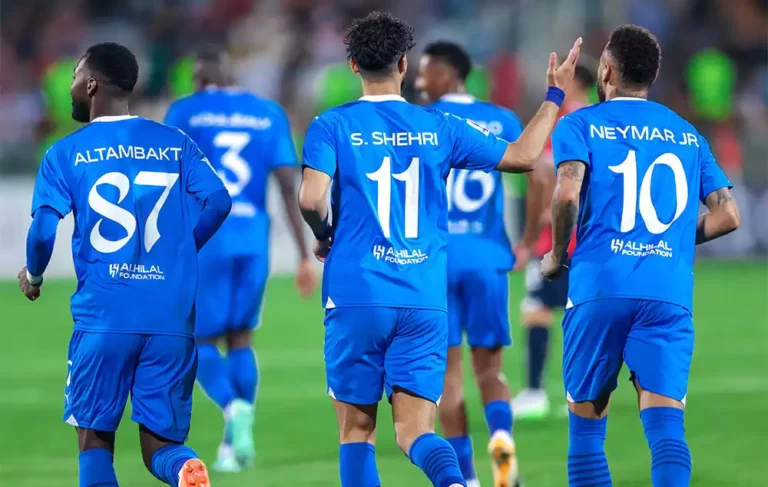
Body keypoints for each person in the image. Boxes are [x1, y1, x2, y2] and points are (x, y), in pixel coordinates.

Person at [298, 11, 581, 487]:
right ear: (403, 65)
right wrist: (554, 96)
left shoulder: (331, 125)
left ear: (353, 66)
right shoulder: (439, 126)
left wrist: (324, 232)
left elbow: (311, 199)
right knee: (415, 432)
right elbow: (523, 156)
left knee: (357, 431)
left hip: (356, 293)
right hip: (423, 296)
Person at [18, 42, 232, 487]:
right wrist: (182, 249)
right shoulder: (175, 143)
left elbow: (42, 232)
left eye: (75, 76)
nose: (71, 86)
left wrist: (34, 274)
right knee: (163, 446)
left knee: (94, 441)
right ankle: (185, 470)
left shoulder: (66, 152)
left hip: (105, 317)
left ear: (91, 84)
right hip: (171, 319)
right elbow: (218, 201)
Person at [541, 25, 739, 487]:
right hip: (666, 292)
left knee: (587, 433)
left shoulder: (580, 123)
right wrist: (667, 239)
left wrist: (556, 256)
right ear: (653, 74)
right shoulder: (687, 134)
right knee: (667, 429)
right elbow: (728, 216)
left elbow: (567, 195)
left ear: (607, 72)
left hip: (599, 288)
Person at [163, 49, 316, 473]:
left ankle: (234, 408)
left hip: (206, 237)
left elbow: (167, 180)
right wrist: (304, 254)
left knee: (197, 340)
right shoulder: (268, 113)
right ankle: (234, 447)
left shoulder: (185, 111)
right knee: (242, 339)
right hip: (254, 239)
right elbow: (287, 184)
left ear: (198, 81)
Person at [414, 40, 534, 487]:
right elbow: (539, 175)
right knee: (491, 370)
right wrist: (526, 240)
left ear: (448, 75)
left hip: (437, 261)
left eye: (426, 73)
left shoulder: (422, 122)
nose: (419, 82)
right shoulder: (502, 119)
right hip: (487, 258)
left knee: (448, 378)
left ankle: (466, 477)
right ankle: (501, 438)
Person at [512, 65, 595, 420]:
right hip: (592, 239)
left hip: (560, 238)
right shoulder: (599, 123)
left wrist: (532, 233)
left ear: (573, 82)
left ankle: (534, 392)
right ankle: (584, 391)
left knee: (536, 309)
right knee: (582, 314)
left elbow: (546, 179)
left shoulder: (565, 124)